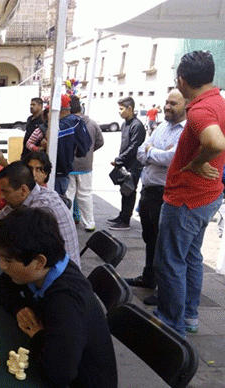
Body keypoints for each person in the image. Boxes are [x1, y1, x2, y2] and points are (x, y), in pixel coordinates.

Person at [0, 206, 117, 387]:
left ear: (39, 261)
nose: (2, 266)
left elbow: (58, 374)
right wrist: (18, 308)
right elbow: (2, 284)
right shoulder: (42, 269)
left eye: (8, 260)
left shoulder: (65, 301)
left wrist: (38, 335)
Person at [153, 51, 225, 336]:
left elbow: (215, 141)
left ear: (181, 81)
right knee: (191, 256)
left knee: (170, 261)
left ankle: (172, 326)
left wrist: (195, 163)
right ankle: (190, 316)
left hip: (187, 198)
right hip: (206, 195)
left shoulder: (199, 109)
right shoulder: (219, 101)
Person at [125, 90, 186, 303]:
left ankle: (165, 293)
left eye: (173, 103)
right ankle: (149, 278)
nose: (167, 106)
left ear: (186, 105)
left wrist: (153, 153)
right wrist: (154, 152)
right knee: (149, 238)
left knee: (165, 245)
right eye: (166, 102)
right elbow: (141, 152)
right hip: (149, 191)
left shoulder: (185, 130)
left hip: (166, 194)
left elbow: (172, 158)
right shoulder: (161, 126)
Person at [0, 161, 80, 266]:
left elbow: (19, 244)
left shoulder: (42, 207)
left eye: (6, 191)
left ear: (23, 190)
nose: (2, 197)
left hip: (60, 274)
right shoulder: (21, 199)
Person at [65, 95, 104, 232]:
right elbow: (100, 142)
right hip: (86, 166)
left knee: (68, 195)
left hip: (69, 166)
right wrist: (89, 151)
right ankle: (89, 223)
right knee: (86, 195)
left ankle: (67, 223)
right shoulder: (92, 123)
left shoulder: (66, 122)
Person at [108, 96, 146, 230]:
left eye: (121, 109)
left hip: (133, 166)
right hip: (124, 165)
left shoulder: (137, 125)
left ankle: (125, 221)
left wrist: (119, 160)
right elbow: (124, 145)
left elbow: (133, 148)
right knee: (123, 191)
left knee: (129, 192)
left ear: (130, 108)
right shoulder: (125, 124)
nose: (119, 112)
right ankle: (122, 215)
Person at [55, 94, 91, 196]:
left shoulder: (72, 123)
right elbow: (85, 147)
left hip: (60, 172)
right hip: (63, 171)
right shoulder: (75, 122)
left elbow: (84, 147)